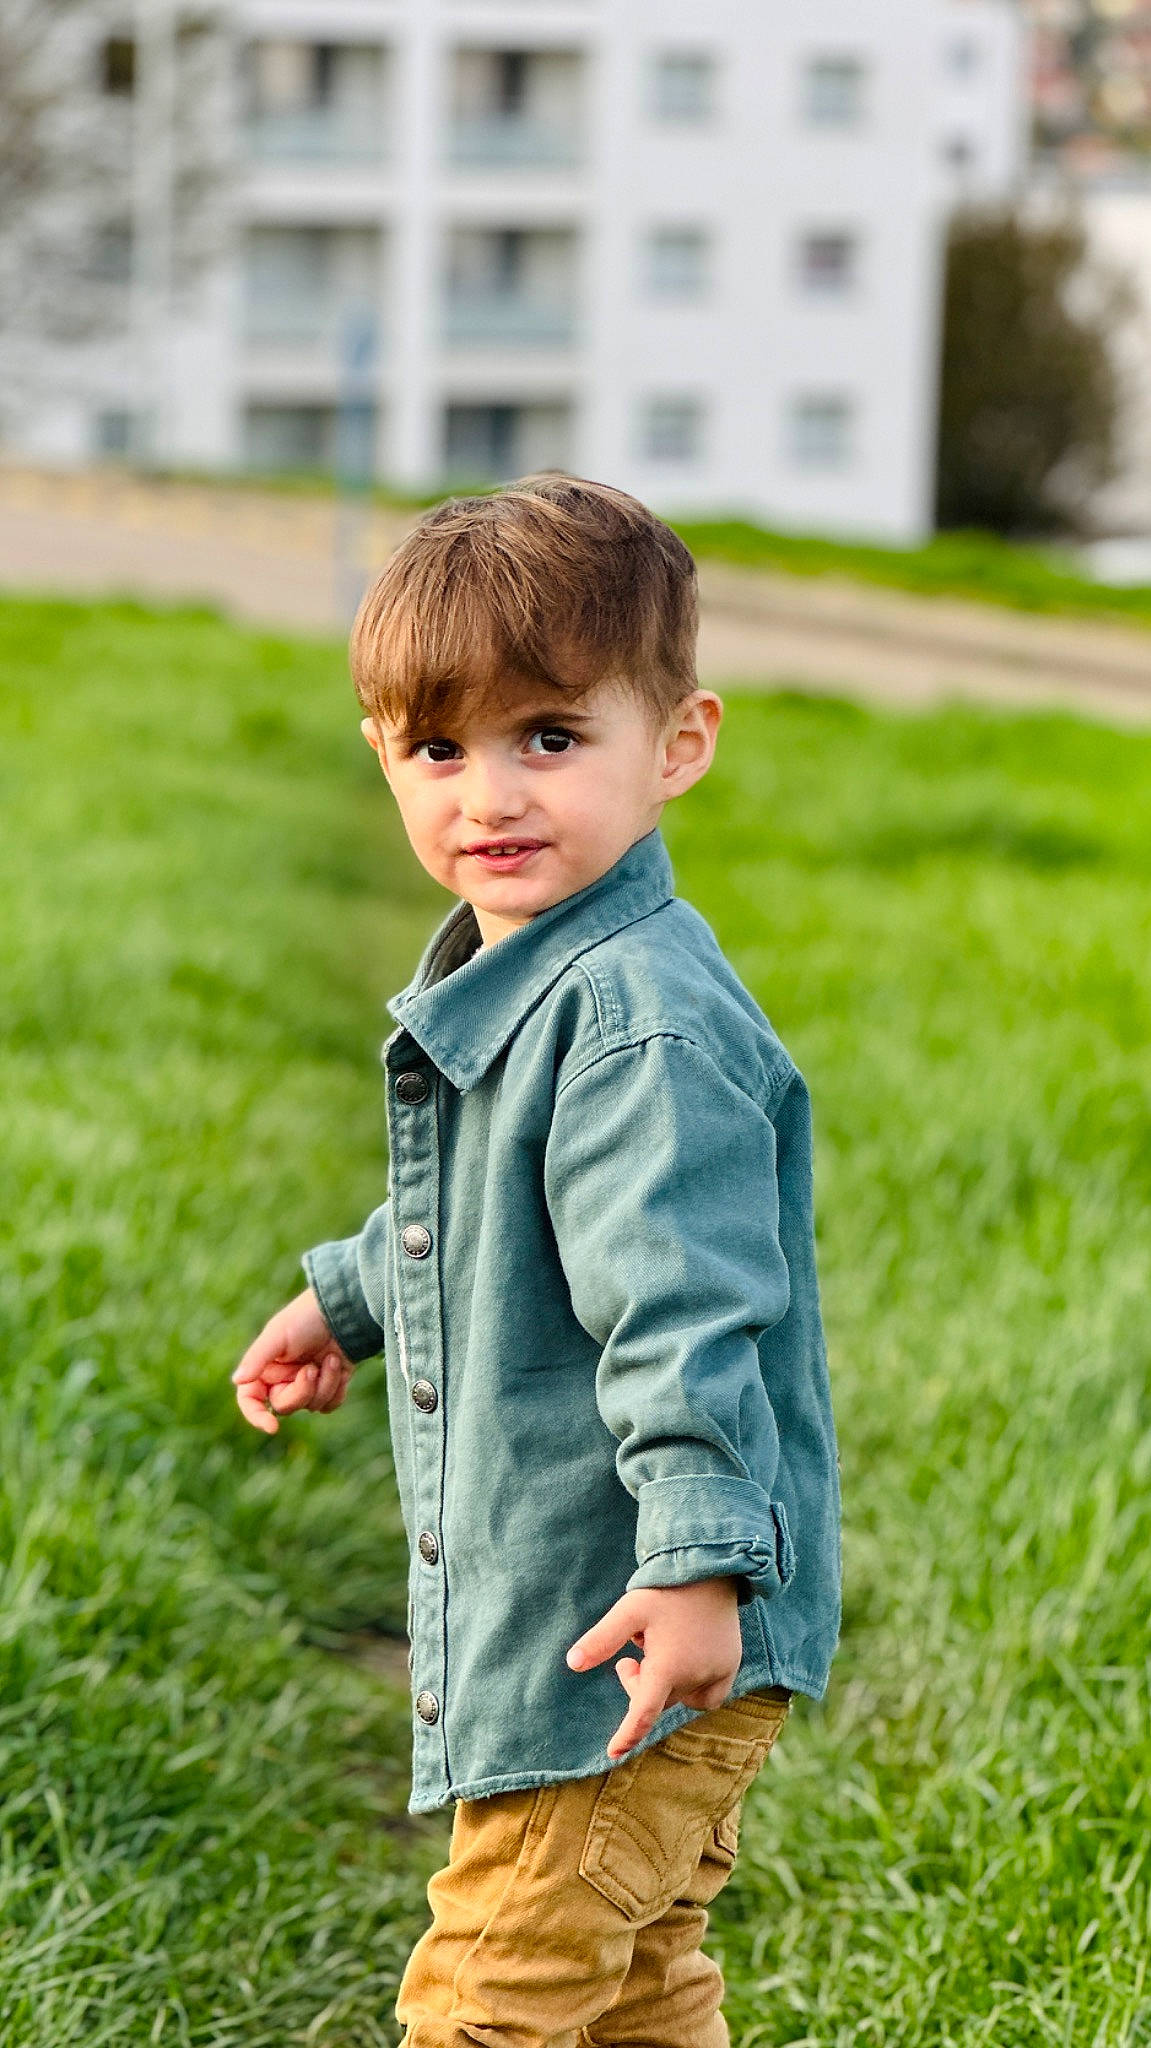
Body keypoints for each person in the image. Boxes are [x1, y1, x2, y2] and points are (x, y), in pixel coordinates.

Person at [232, 474, 841, 2048]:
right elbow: (496, 1217)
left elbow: (683, 1310)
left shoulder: (634, 1024)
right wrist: (348, 1298)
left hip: (624, 1626)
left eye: (550, 738)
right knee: (632, 1989)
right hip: (608, 1630)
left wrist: (694, 1562)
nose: (489, 795)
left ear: (678, 744)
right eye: (440, 749)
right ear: (382, 753)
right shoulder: (538, 975)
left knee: (486, 2005)